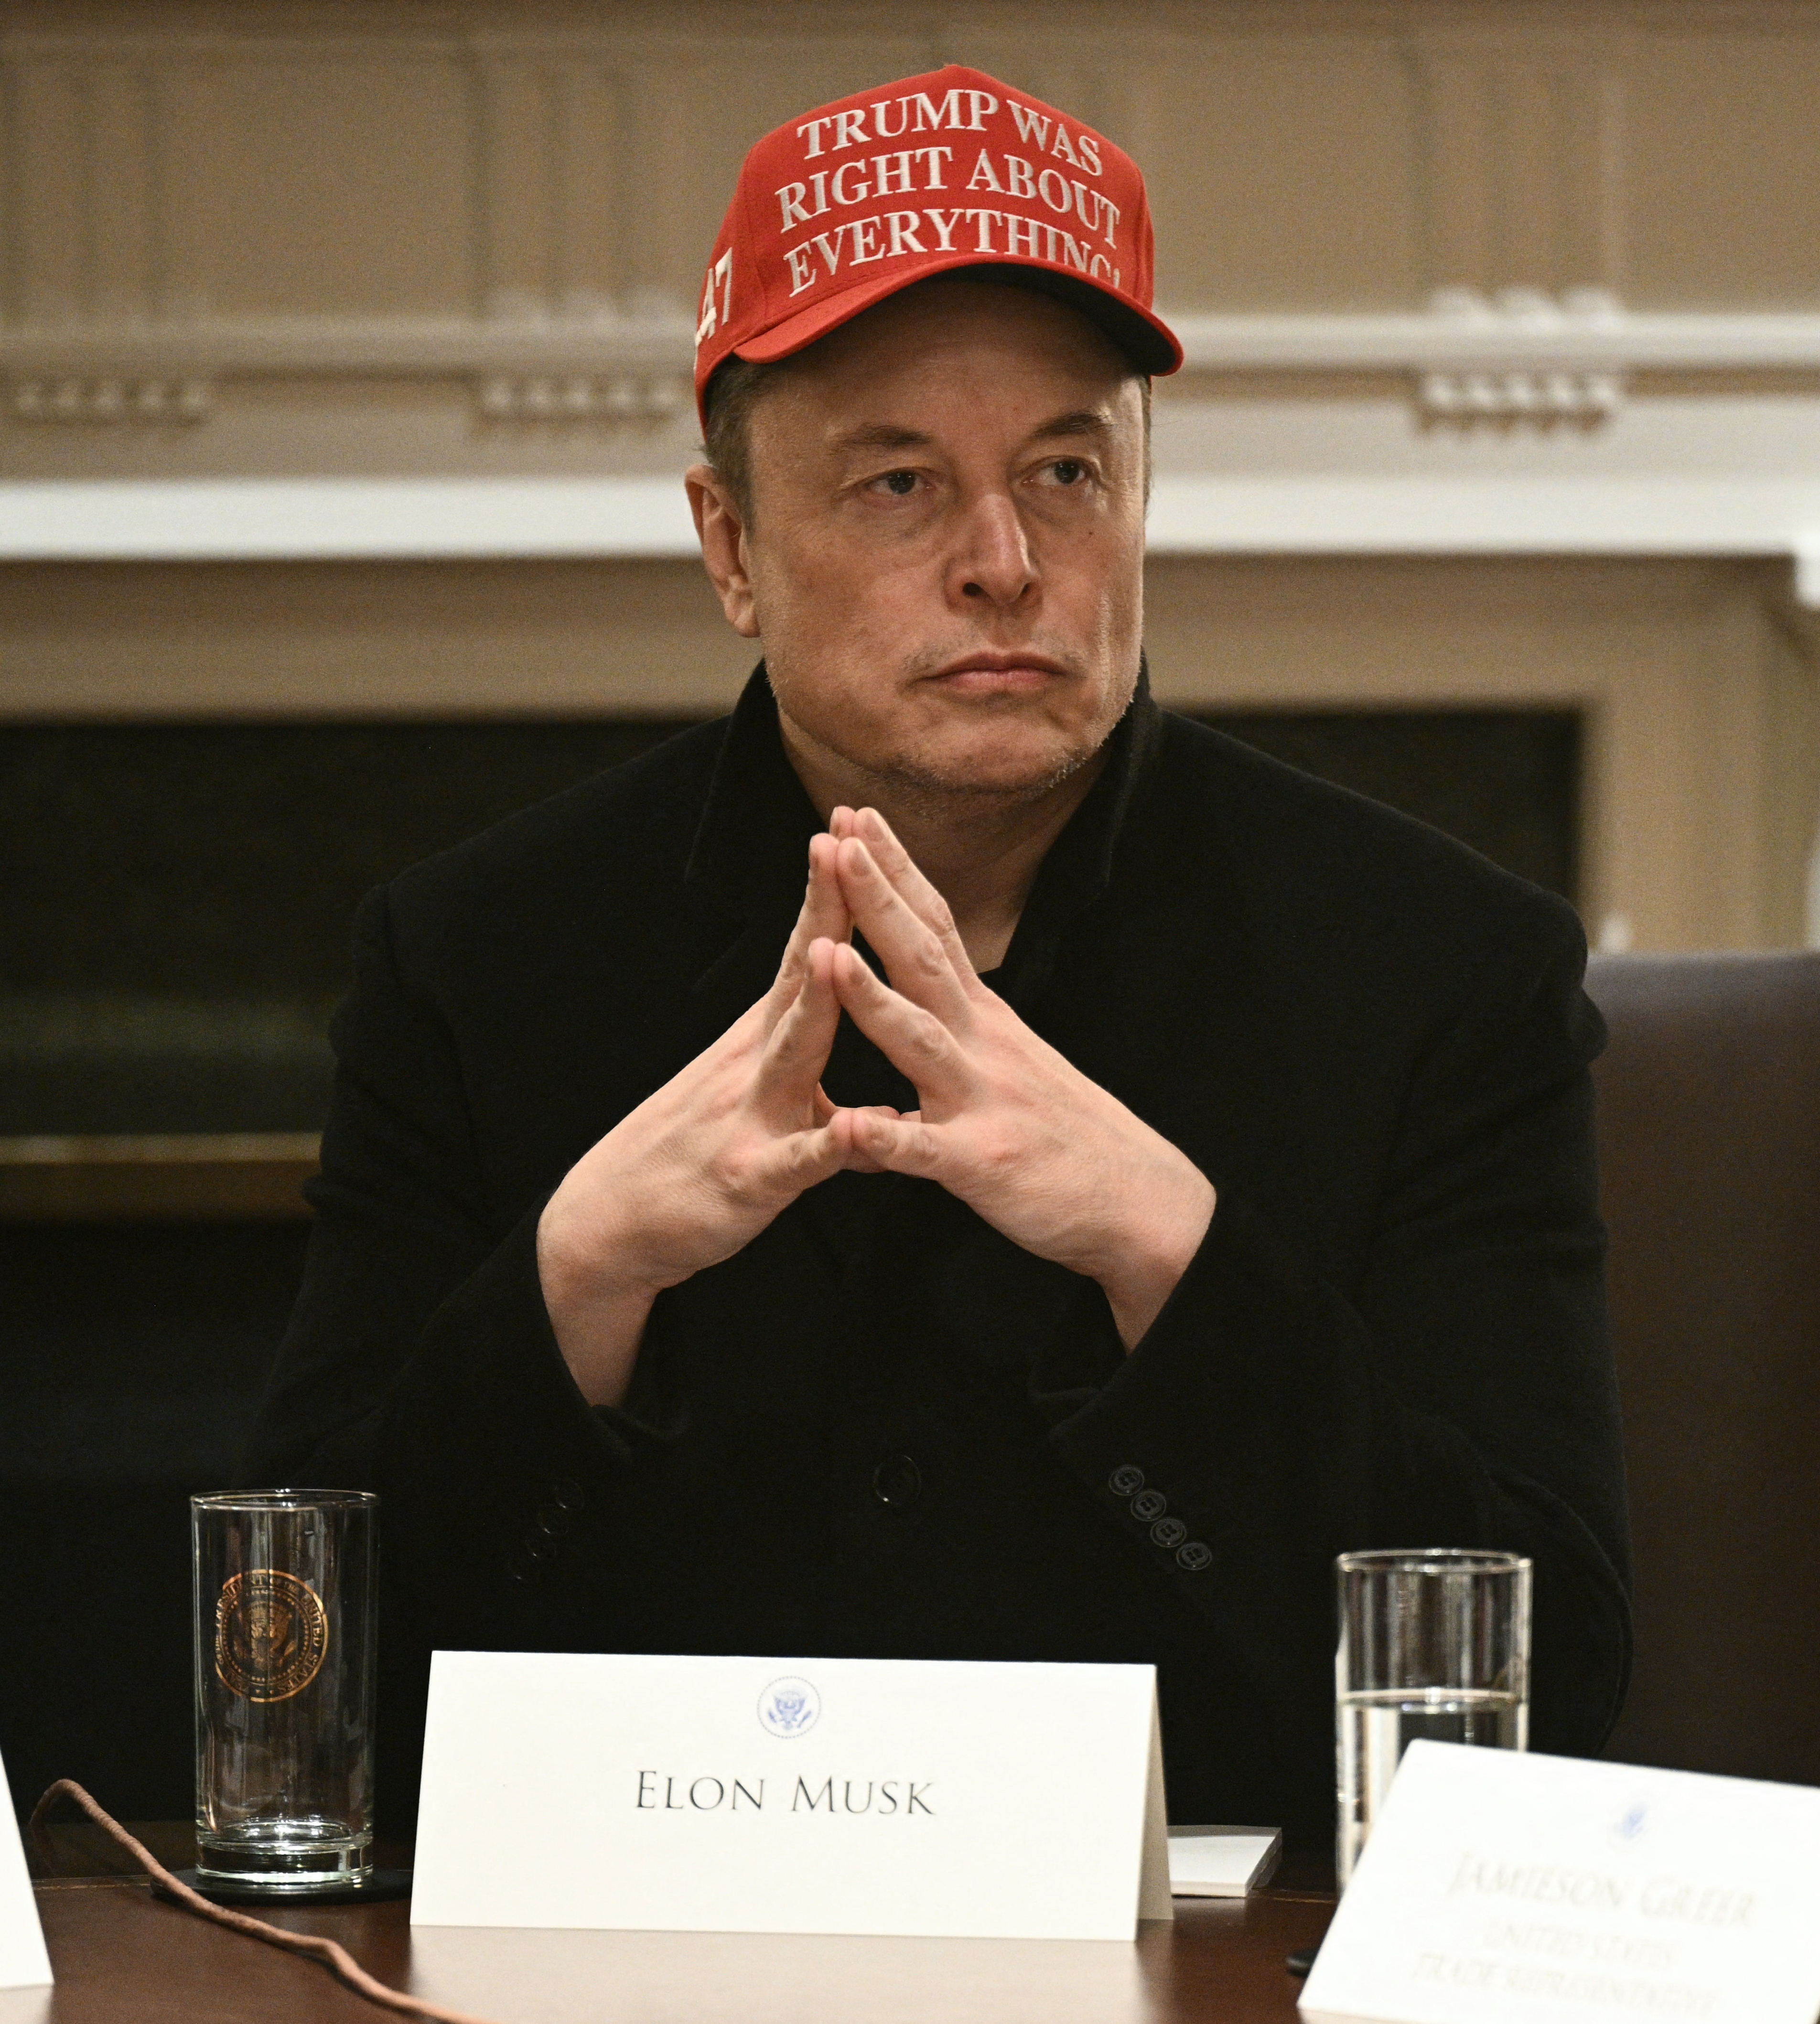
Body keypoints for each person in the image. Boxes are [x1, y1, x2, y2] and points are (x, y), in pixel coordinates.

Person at [244, 65, 1632, 1847]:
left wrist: (1168, 1251)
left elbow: (1552, 1700)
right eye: (899, 482)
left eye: (1067, 470)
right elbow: (285, 1702)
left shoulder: (1442, 969)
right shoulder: (476, 961)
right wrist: (579, 1278)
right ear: (732, 546)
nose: (1004, 562)